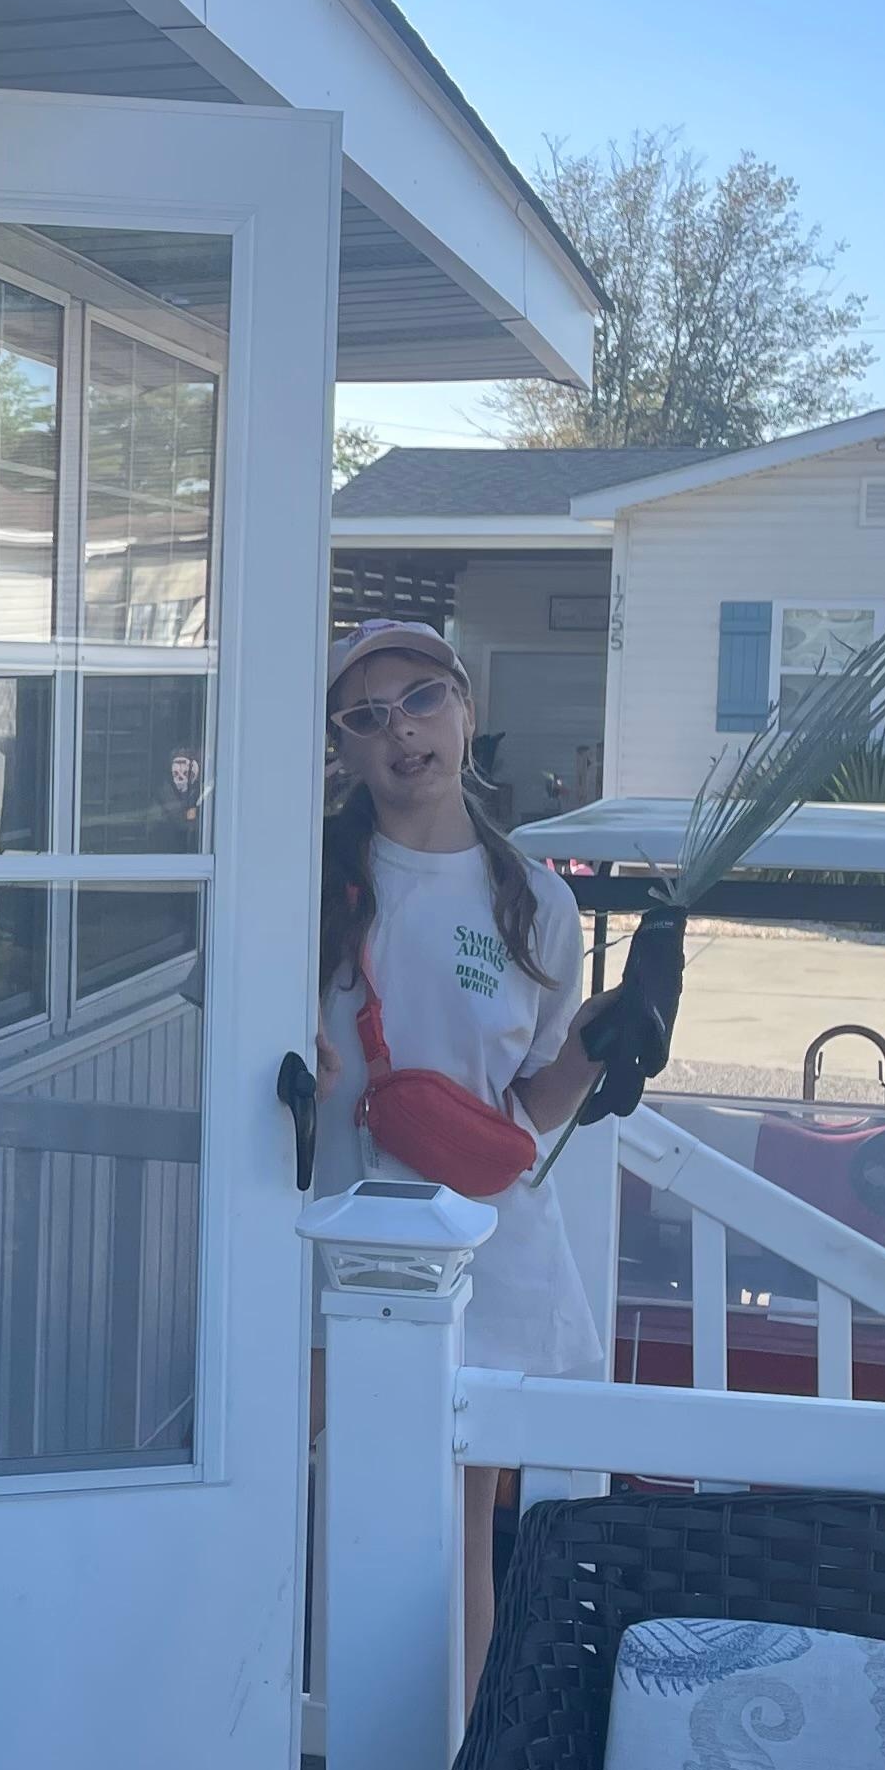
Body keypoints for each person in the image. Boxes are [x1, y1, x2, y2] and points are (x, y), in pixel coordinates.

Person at [311, 621, 663, 1655]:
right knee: (296, 1486)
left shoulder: (534, 901)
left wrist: (608, 1041)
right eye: (367, 717)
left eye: (421, 700)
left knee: (463, 1527)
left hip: (483, 1253)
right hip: (325, 1244)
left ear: (466, 708)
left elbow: (530, 1107)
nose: (400, 733)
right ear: (343, 746)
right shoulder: (306, 876)